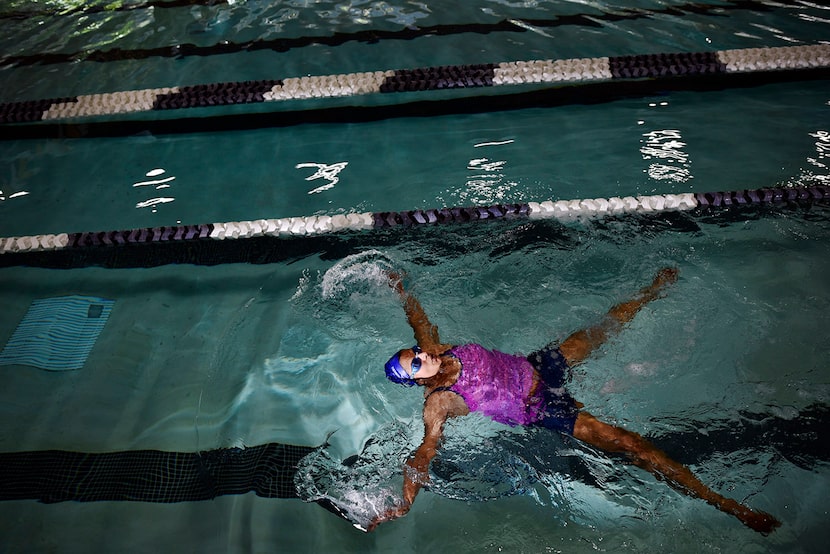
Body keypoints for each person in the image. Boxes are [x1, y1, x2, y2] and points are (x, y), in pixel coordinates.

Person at [367, 268, 780, 534]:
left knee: (602, 327)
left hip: (538, 367)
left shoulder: (434, 349)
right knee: (632, 446)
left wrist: (400, 290)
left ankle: (653, 291)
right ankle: (728, 506)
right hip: (543, 410)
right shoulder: (437, 403)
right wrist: (406, 500)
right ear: (414, 381)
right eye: (415, 363)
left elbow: (419, 321)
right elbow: (425, 452)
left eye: (416, 353)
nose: (423, 356)